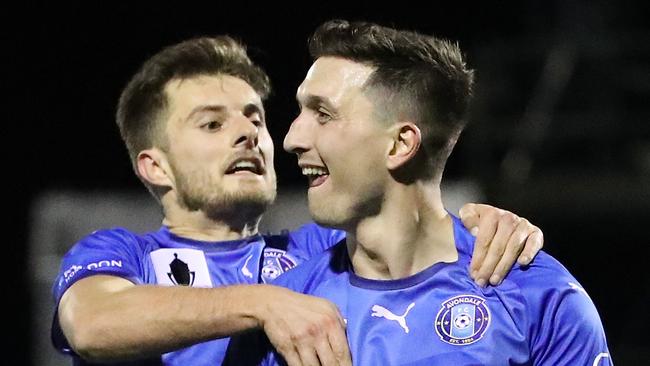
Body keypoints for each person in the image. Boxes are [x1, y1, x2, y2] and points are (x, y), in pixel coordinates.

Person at [51, 35, 545, 366]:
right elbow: (93, 323)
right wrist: (263, 303)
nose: (249, 134)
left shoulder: (319, 251)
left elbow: (409, 223)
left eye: (255, 118)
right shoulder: (123, 256)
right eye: (212, 124)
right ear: (154, 166)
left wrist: (487, 225)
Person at [225, 20, 612, 365]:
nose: (292, 138)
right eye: (300, 112)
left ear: (399, 145)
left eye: (323, 114)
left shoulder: (538, 297)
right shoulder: (284, 310)